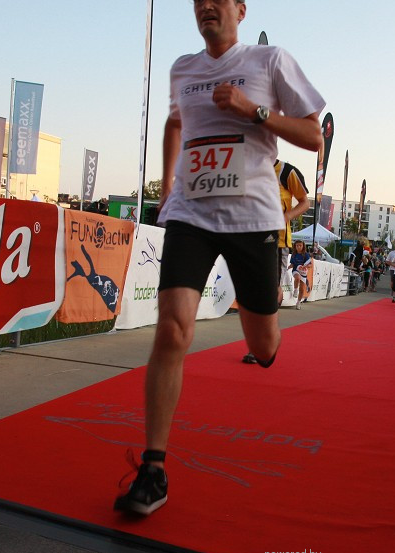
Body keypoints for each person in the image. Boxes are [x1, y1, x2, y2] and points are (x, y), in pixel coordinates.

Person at [114, 0, 324, 516]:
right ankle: (154, 468)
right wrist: (167, 184)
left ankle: (265, 306)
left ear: (239, 8)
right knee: (172, 328)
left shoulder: (271, 61)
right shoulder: (183, 69)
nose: (205, 5)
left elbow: (315, 137)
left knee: (264, 345)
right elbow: (173, 125)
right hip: (191, 214)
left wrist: (252, 111)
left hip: (253, 218)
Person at [243, 158, 310, 364]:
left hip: (278, 242)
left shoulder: (286, 171)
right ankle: (262, 342)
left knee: (272, 291)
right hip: (253, 237)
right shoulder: (247, 167)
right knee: (255, 292)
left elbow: (305, 202)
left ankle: (264, 343)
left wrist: (286, 217)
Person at [289, 239, 312, 309]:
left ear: (303, 246)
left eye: (300, 245)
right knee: (297, 278)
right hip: (295, 271)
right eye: (297, 245)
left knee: (302, 289)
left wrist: (306, 266)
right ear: (295, 246)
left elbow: (310, 265)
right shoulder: (293, 255)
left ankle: (298, 302)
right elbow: (292, 264)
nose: (298, 247)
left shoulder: (306, 255)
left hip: (303, 273)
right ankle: (295, 290)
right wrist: (289, 266)